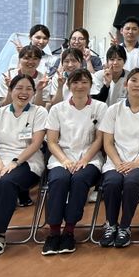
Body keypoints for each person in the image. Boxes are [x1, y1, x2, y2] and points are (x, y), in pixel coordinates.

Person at [0, 75, 46, 257]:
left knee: (6, 183)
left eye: (28, 89)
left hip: (28, 161)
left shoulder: (39, 112)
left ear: (33, 92)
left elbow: (36, 144)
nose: (24, 92)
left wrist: (15, 162)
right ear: (11, 90)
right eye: (19, 88)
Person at [98, 68, 139, 248]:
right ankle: (111, 225)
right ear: (126, 84)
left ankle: (125, 227)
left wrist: (135, 164)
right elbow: (108, 142)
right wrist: (118, 163)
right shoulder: (114, 110)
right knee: (112, 183)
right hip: (116, 161)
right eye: (134, 80)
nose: (137, 85)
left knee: (131, 182)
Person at [42, 69, 106, 255]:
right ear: (69, 85)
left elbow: (99, 139)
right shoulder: (57, 109)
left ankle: (69, 231)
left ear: (91, 85)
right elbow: (52, 141)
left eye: (84, 82)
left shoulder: (100, 107)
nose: (80, 86)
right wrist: (65, 160)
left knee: (79, 180)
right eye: (75, 82)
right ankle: (54, 232)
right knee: (59, 180)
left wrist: (84, 159)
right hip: (61, 157)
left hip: (90, 159)